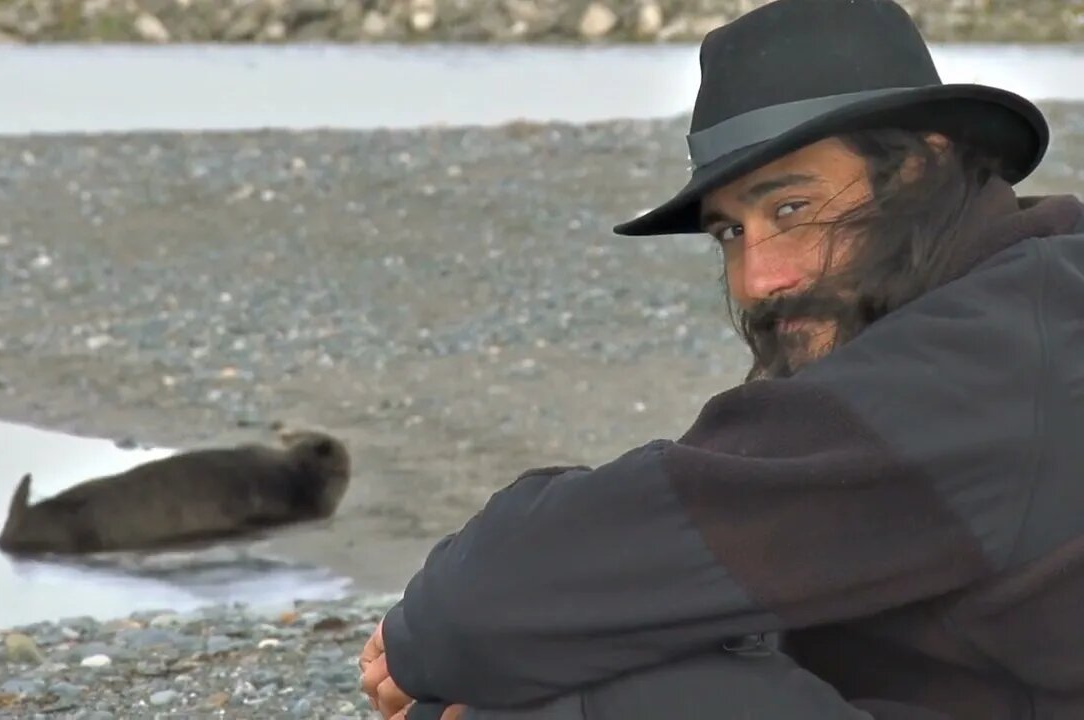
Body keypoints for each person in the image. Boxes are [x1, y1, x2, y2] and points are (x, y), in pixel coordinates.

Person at [358, 0, 1084, 718]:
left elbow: (494, 596)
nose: (759, 279)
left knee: (607, 686)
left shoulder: (977, 367)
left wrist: (431, 650)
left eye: (792, 210)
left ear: (923, 165)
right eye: (731, 232)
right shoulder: (1031, 305)